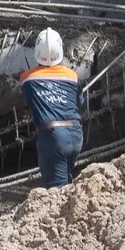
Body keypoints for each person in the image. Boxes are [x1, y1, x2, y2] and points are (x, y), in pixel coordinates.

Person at [19, 28, 83, 188]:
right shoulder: (72, 76)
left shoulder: (27, 78)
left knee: (55, 192)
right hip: (76, 134)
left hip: (53, 136)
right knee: (66, 185)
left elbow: (29, 101)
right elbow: (79, 102)